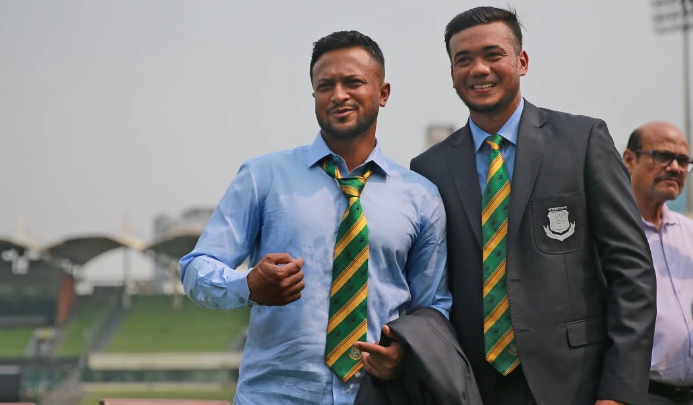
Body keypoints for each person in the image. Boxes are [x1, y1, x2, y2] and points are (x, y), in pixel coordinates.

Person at [180, 30, 451, 405]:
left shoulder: (421, 196)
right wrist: (248, 286)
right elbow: (195, 270)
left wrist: (407, 351)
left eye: (353, 82)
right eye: (326, 85)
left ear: (383, 93)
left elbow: (433, 305)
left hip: (377, 396)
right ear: (314, 96)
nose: (338, 95)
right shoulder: (263, 177)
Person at [410, 6, 656, 405]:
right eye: (463, 59)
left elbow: (633, 273)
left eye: (493, 54)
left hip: (577, 384)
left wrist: (620, 392)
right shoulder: (429, 168)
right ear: (452, 72)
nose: (479, 69)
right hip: (471, 386)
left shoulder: (583, 141)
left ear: (521, 61)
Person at [623, 122, 693, 405]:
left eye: (683, 161)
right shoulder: (609, 234)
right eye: (663, 156)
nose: (675, 167)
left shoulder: (688, 234)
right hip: (639, 395)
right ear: (630, 159)